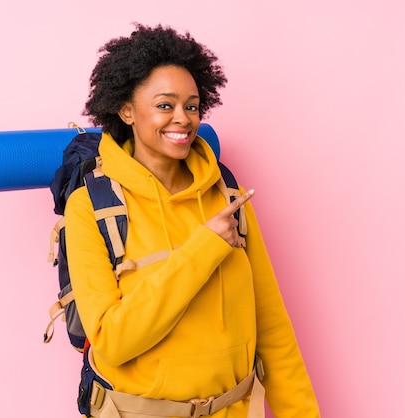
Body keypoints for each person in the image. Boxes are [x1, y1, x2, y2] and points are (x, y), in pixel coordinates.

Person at [65, 23, 320, 417]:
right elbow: (112, 341)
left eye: (192, 105)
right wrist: (204, 247)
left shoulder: (229, 196)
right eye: (165, 105)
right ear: (127, 109)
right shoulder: (89, 208)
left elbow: (273, 330)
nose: (182, 118)